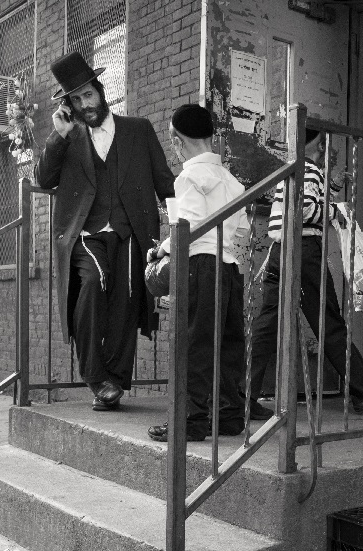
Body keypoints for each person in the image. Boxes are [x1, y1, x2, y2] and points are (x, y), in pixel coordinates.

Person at [35, 52, 176, 411]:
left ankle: (113, 384)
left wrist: (180, 226)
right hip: (85, 234)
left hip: (131, 233)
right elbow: (44, 179)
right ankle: (95, 376)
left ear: (100, 91)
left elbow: (164, 181)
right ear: (69, 106)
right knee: (93, 287)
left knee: (127, 301)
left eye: (89, 95)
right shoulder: (69, 137)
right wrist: (58, 136)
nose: (85, 104)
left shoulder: (138, 129)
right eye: (77, 100)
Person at [247, 128, 363, 417]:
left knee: (266, 324)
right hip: (303, 251)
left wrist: (333, 188)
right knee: (328, 321)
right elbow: (303, 210)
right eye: (326, 144)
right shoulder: (310, 169)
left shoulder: (294, 170)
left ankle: (243, 394)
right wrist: (333, 212)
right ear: (318, 143)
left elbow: (308, 198)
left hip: (281, 251)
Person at [146, 104, 250, 442]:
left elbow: (186, 226)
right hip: (230, 267)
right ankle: (230, 414)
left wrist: (162, 249)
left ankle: (190, 419)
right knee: (228, 342)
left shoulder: (189, 177)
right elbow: (244, 231)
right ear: (210, 136)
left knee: (196, 342)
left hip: (201, 266)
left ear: (177, 141)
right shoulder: (232, 181)